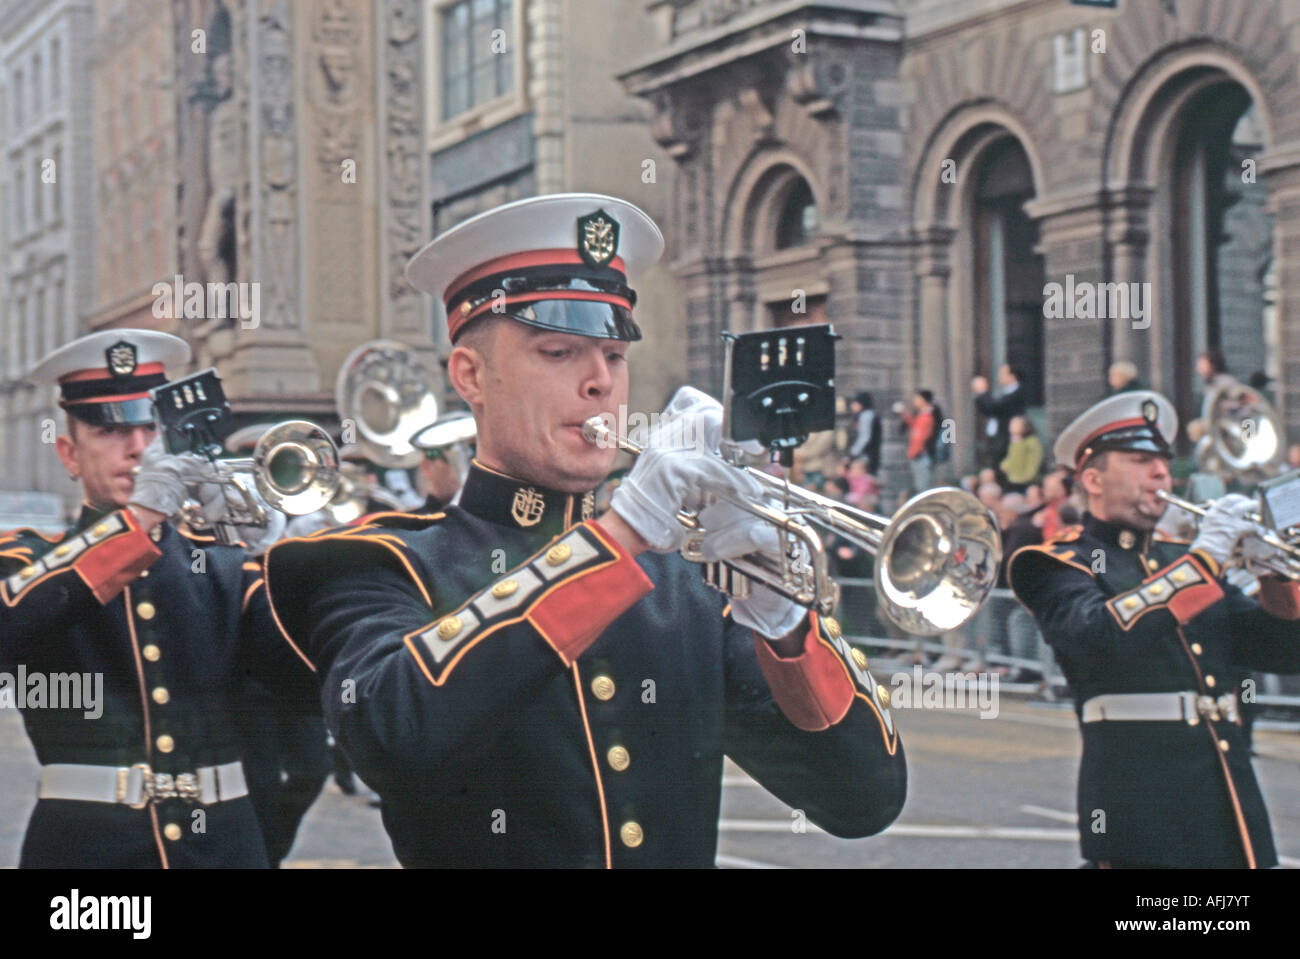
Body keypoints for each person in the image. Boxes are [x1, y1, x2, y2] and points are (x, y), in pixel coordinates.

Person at [262, 194, 906, 867]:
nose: (600, 381)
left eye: (614, 354)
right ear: (471, 374)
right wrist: (623, 529)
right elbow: (391, 734)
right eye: (559, 350)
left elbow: (862, 800)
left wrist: (784, 619)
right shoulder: (375, 562)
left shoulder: (686, 580)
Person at [0, 330, 318, 868]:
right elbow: (18, 613)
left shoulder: (223, 565)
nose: (139, 448)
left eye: (151, 427)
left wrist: (275, 556)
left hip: (224, 847)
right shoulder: (28, 556)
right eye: (110, 430)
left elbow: (307, 678)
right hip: (87, 858)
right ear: (68, 453)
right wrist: (144, 516)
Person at [1008, 390, 1300, 868]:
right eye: (1141, 460)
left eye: (1163, 460)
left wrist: (1275, 575)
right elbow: (1099, 637)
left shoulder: (1181, 562)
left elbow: (1280, 652)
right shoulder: (1057, 563)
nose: (1162, 473)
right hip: (1141, 807)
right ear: (1093, 478)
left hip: (1230, 801)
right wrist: (1206, 556)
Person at [972, 365, 1027, 469]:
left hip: (1007, 441)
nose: (999, 377)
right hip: (1000, 440)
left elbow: (995, 407)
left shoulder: (1017, 393)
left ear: (1012, 376)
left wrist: (982, 392)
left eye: (1002, 374)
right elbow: (990, 410)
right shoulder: (1008, 392)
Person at [895, 389, 937, 493]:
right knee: (919, 486)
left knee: (923, 487)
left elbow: (922, 436)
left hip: (921, 454)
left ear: (923, 400)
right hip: (917, 454)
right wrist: (904, 414)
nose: (915, 401)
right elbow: (914, 426)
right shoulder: (922, 414)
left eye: (917, 399)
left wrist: (915, 452)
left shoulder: (930, 415)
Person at [999, 415, 1042, 493]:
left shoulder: (1031, 441)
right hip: (1013, 477)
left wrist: (1030, 474)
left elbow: (1034, 459)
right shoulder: (1013, 441)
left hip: (1026, 479)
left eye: (1015, 424)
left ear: (1024, 426)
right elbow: (1011, 456)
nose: (1011, 427)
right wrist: (1005, 465)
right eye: (1011, 424)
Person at [846, 391, 882, 474]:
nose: (852, 406)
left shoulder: (866, 415)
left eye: (854, 403)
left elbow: (864, 438)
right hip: (868, 455)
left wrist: (852, 454)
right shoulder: (867, 414)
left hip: (866, 456)